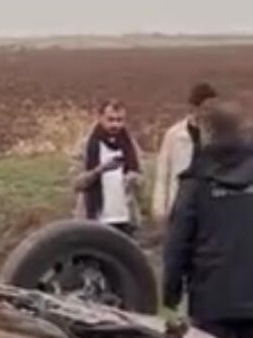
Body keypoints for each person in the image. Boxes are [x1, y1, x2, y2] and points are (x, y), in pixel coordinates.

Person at [163, 103, 253, 338]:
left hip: (211, 297)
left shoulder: (197, 182)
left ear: (207, 134)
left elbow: (177, 243)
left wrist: (169, 295)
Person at [72, 100, 143, 236]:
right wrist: (99, 171)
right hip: (95, 218)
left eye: (119, 120)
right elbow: (76, 183)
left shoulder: (130, 146)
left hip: (125, 218)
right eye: (110, 120)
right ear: (100, 118)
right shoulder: (86, 145)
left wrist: (134, 178)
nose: (115, 124)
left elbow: (142, 178)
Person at [152, 82, 218, 220]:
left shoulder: (217, 135)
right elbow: (163, 172)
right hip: (180, 203)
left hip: (209, 205)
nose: (210, 112)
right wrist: (159, 207)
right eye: (206, 108)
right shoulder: (175, 135)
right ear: (195, 108)